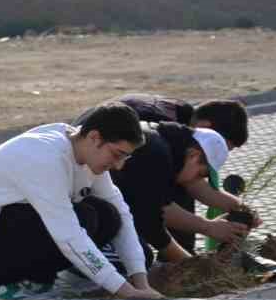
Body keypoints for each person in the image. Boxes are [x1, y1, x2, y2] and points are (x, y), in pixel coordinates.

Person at [0, 102, 161, 300]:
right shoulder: (45, 156)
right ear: (95, 138)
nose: (119, 165)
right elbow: (68, 234)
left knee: (108, 215)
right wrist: (124, 291)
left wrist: (141, 282)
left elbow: (123, 214)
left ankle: (35, 276)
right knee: (84, 218)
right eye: (117, 155)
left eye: (125, 157)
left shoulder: (87, 154)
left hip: (16, 220)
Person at [87, 94, 255, 252]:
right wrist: (207, 228)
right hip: (90, 190)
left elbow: (191, 181)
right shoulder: (154, 142)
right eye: (223, 146)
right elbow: (155, 210)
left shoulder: (181, 132)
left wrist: (238, 208)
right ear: (206, 128)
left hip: (113, 182)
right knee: (140, 249)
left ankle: (178, 255)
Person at [110, 123, 230, 266]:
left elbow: (159, 206)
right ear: (193, 155)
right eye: (200, 174)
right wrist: (192, 265)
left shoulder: (163, 141)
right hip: (87, 214)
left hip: (101, 204)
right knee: (140, 256)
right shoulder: (157, 155)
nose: (196, 181)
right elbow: (151, 223)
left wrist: (214, 223)